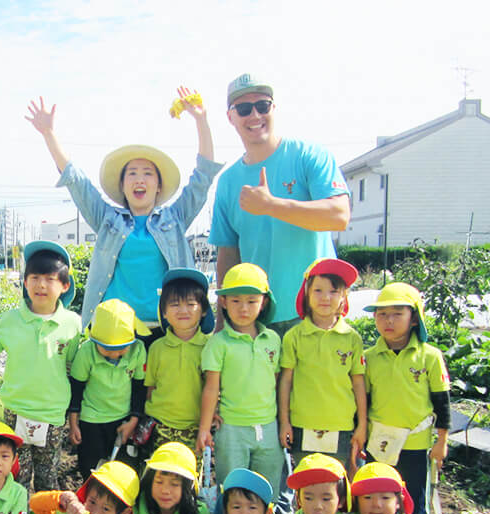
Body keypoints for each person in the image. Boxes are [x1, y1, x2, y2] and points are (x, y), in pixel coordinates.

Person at [25, 88, 220, 329]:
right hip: (116, 330)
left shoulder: (175, 218)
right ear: (122, 185)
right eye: (132, 174)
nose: (140, 180)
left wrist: (202, 120)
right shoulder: (107, 218)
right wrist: (49, 134)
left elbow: (203, 177)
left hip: (169, 329)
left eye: (148, 174)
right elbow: (77, 181)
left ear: (158, 185)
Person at [210, 74, 350, 335]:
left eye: (262, 105)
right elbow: (228, 255)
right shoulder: (228, 182)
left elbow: (339, 215)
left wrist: (272, 205)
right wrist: (222, 322)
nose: (254, 115)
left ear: (274, 108)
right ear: (230, 117)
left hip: (317, 316)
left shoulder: (309, 156)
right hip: (256, 320)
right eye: (243, 109)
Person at [0, 241, 81, 492]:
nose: (41, 285)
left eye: (50, 279)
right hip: (16, 411)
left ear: (64, 286)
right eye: (34, 277)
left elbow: (71, 368)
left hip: (52, 415)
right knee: (17, 476)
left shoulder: (72, 324)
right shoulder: (10, 320)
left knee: (47, 477)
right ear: (25, 282)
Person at [363, 282, 450, 514]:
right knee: (376, 496)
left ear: (414, 318)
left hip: (414, 443)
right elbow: (364, 402)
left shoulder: (429, 356)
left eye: (397, 314)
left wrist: (441, 441)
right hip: (378, 443)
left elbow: (442, 402)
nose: (388, 321)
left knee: (413, 496)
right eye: (382, 314)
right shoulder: (369, 357)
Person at [197, 263, 284, 505]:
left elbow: (275, 383)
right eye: (235, 300)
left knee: (268, 491)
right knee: (231, 490)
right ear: (223, 302)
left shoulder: (273, 340)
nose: (243, 308)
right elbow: (211, 387)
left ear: (263, 302)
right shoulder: (219, 343)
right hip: (232, 428)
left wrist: (282, 422)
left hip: (268, 426)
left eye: (251, 300)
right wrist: (204, 428)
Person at [278, 258, 366, 474]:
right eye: (318, 290)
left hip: (342, 427)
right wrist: (284, 422)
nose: (325, 297)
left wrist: (362, 425)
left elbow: (358, 383)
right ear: (306, 294)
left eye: (333, 291)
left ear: (343, 297)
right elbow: (286, 381)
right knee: (307, 484)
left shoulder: (352, 338)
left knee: (338, 487)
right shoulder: (294, 337)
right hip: (302, 426)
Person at [68, 299, 148, 480]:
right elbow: (76, 389)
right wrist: (74, 424)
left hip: (123, 419)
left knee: (121, 470)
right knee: (90, 467)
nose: (113, 355)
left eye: (121, 350)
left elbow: (139, 388)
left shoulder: (138, 350)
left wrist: (134, 420)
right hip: (92, 419)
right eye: (106, 349)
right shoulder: (86, 352)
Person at [141, 268, 216, 454]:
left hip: (195, 428)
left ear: (204, 310)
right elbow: (150, 388)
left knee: (189, 479)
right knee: (158, 477)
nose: (183, 310)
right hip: (160, 426)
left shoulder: (211, 347)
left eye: (191, 304)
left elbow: (214, 386)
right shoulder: (156, 348)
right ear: (164, 312)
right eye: (174, 304)